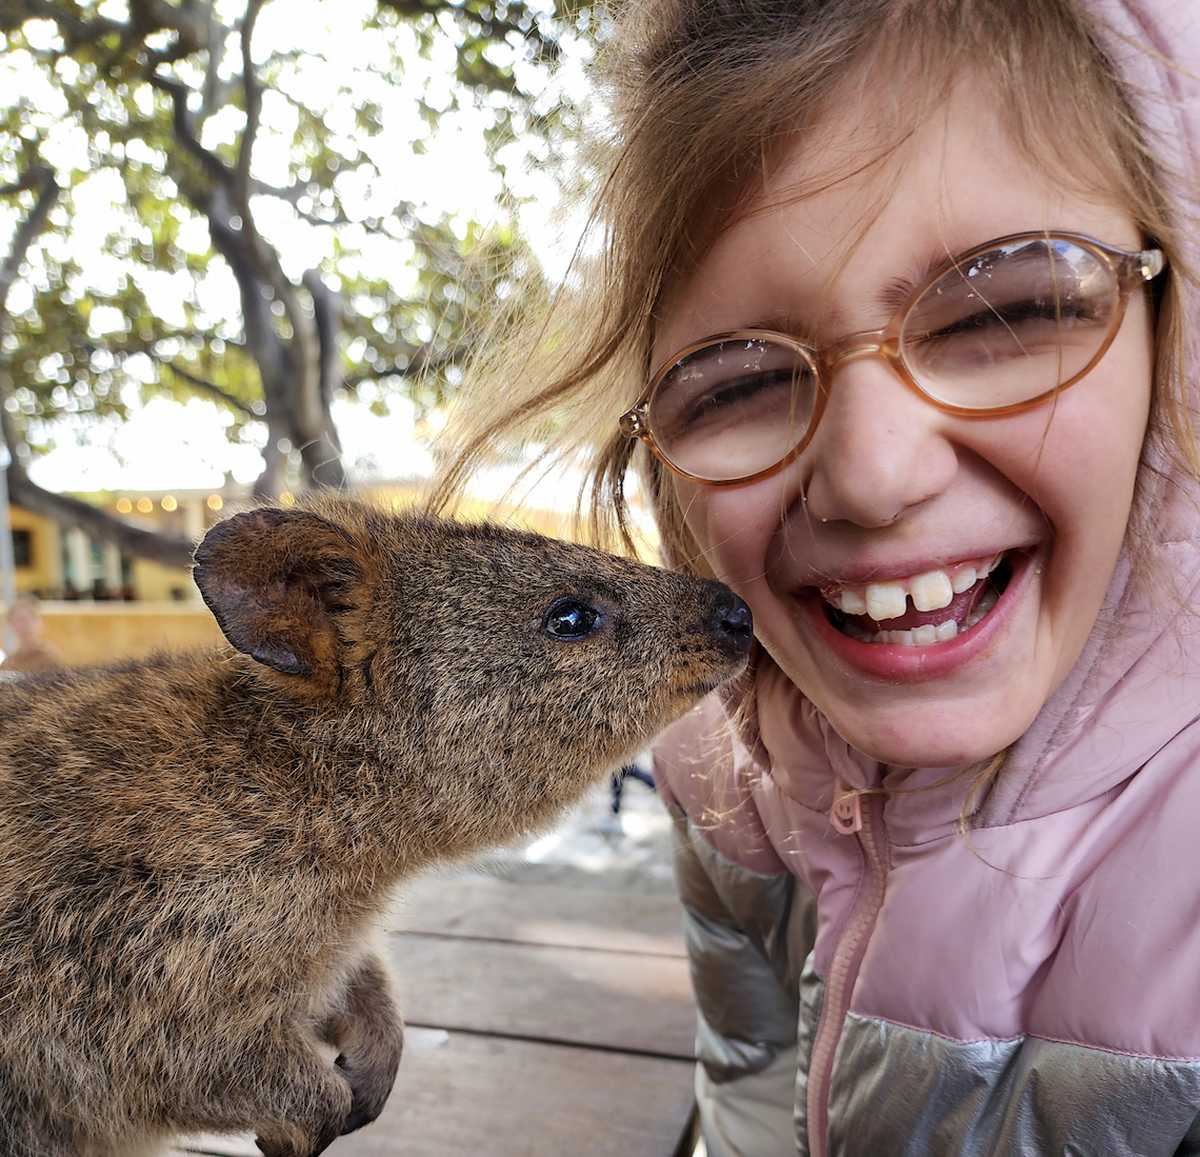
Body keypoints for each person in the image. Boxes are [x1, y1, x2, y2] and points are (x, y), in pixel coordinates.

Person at [433, 0, 1200, 1152]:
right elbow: (745, 1077)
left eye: (1013, 307)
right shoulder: (713, 765)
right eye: (734, 384)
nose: (872, 474)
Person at [1, 597, 65, 673]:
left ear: (41, 621)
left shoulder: (52, 659)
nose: (25, 625)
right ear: (10, 624)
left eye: (31, 618)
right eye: (19, 619)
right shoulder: (7, 664)